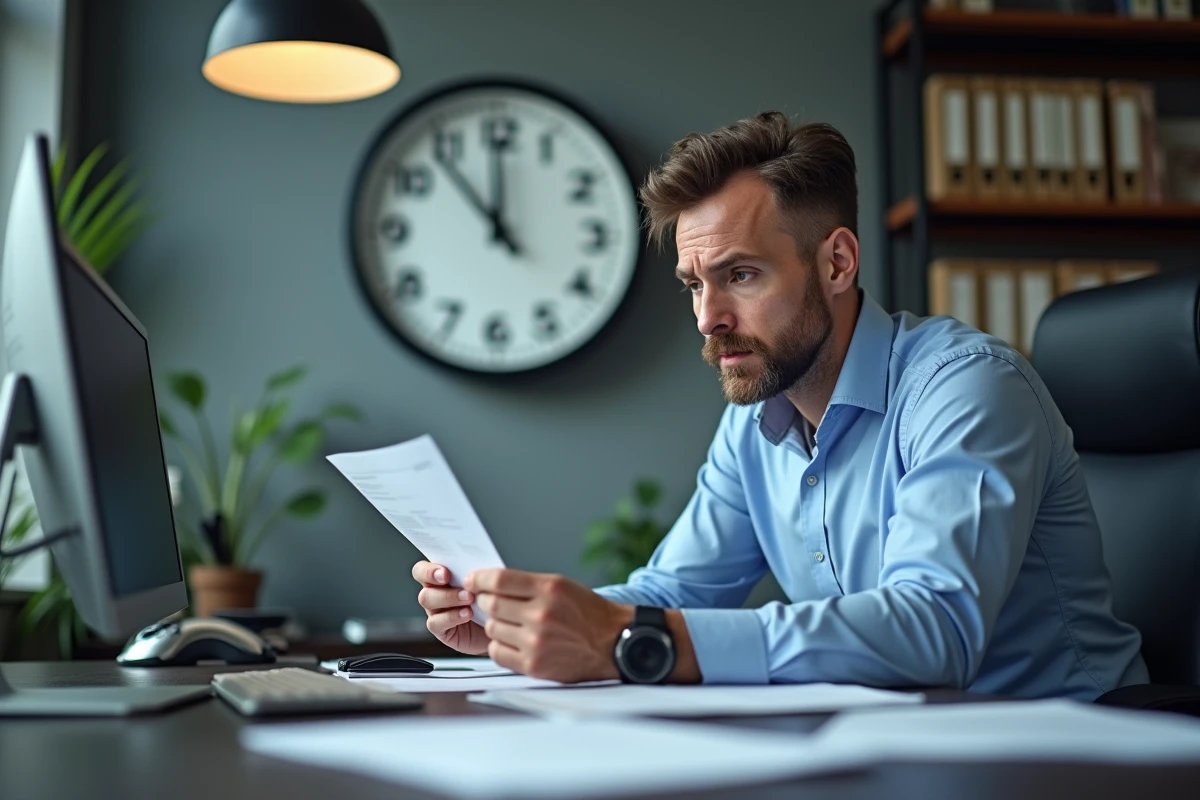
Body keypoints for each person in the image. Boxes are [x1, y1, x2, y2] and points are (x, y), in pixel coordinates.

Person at [411, 112, 1147, 699]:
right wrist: (516, 625)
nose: (708, 318)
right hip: (892, 744)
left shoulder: (968, 388)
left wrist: (626, 636)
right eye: (695, 284)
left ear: (836, 263)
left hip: (1063, 752)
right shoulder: (753, 423)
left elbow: (936, 629)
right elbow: (673, 589)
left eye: (740, 274)